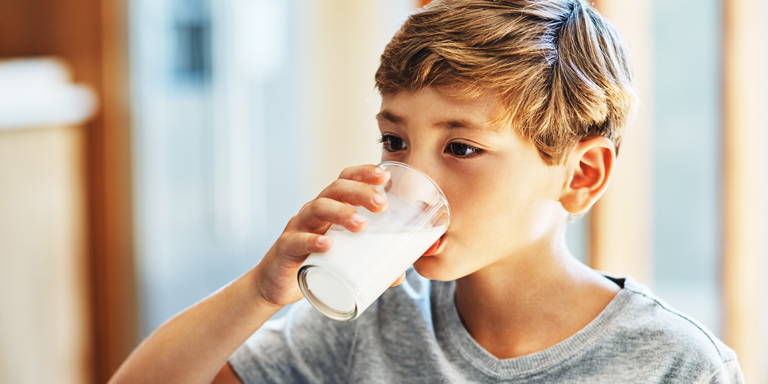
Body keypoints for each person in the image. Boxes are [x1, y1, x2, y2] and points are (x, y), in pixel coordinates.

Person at [110, 0, 744, 383]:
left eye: (461, 148)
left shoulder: (675, 365)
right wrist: (259, 290)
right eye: (394, 142)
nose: (411, 179)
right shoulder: (372, 322)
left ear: (580, 176)